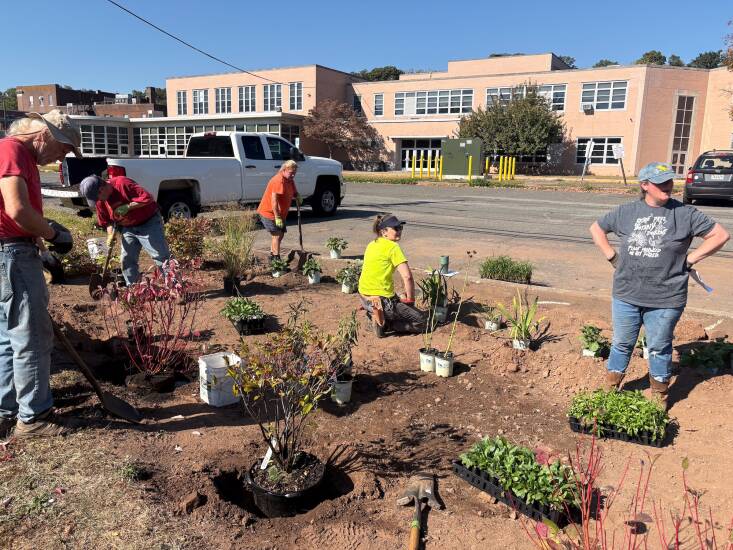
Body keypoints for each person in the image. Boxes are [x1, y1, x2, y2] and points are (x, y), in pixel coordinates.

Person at [590, 161, 729, 407]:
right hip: (626, 293)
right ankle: (611, 388)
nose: (668, 186)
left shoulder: (685, 214)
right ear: (645, 185)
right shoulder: (626, 212)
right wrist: (612, 256)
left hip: (666, 297)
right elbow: (597, 229)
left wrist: (692, 259)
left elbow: (720, 235)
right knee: (622, 343)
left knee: (658, 346)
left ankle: (659, 395)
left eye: (669, 181)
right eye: (660, 182)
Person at [0, 109, 79, 438]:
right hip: (12, 253)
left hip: (12, 251)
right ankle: (34, 418)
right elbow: (17, 210)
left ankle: (6, 411)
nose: (61, 158)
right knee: (31, 337)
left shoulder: (15, 154)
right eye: (63, 149)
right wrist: (53, 235)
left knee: (8, 336)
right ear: (44, 135)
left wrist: (43, 250)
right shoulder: (13, 150)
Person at [79, 174, 170, 286]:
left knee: (160, 256)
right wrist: (110, 235)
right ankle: (133, 289)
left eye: (97, 198)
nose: (98, 201)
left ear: (101, 190)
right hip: (128, 227)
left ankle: (175, 287)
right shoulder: (100, 202)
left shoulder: (122, 183)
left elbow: (147, 198)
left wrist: (128, 207)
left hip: (149, 222)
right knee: (126, 259)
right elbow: (107, 221)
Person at [358, 214, 426, 337]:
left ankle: (374, 314)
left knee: (398, 296)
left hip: (364, 297)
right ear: (384, 232)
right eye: (396, 228)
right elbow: (408, 277)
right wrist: (410, 301)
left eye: (400, 227)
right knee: (421, 321)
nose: (399, 231)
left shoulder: (372, 244)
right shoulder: (393, 247)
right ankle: (386, 324)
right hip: (383, 301)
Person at [256, 160, 302, 261]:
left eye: (295, 173)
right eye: (291, 173)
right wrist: (277, 217)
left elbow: (294, 191)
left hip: (281, 214)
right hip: (269, 212)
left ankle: (272, 255)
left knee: (280, 235)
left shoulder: (289, 179)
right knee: (276, 235)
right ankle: (276, 260)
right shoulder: (278, 180)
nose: (293, 175)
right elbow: (274, 201)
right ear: (284, 170)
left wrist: (297, 195)